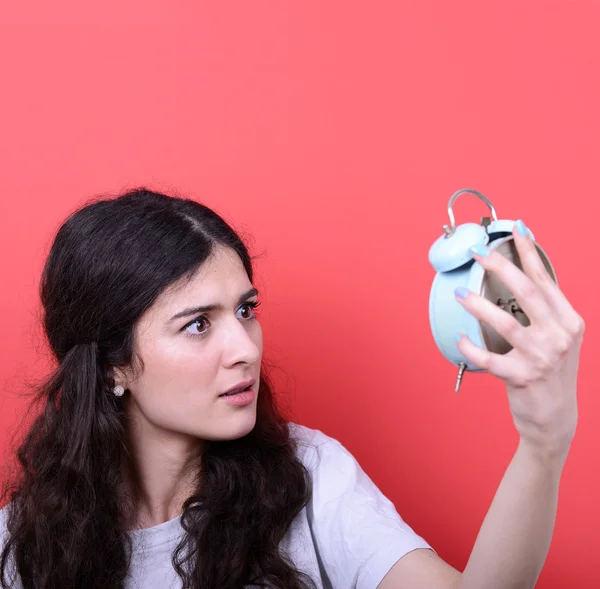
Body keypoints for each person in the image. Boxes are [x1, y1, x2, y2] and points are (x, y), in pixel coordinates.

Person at [0, 188, 584, 589]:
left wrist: (542, 443)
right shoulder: (18, 545)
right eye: (198, 324)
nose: (247, 347)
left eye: (246, 309)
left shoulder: (310, 478)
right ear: (112, 367)